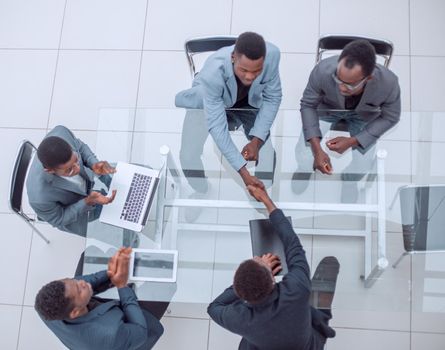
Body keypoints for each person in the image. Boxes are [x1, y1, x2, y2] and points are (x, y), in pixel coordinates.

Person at [208, 185, 340, 350]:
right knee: (330, 264)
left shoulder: (241, 319)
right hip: (307, 344)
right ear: (271, 276)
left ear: (240, 293)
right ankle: (321, 317)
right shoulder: (296, 289)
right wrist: (267, 201)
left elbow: (213, 308)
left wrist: (243, 282)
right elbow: (294, 246)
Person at [294, 39, 401, 201]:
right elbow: (308, 105)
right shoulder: (322, 70)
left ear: (368, 78)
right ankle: (304, 168)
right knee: (304, 154)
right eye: (338, 79)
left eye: (350, 85)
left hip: (364, 116)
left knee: (363, 166)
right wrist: (317, 150)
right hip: (327, 110)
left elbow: (390, 116)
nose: (341, 88)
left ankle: (349, 181)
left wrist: (353, 141)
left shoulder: (389, 83)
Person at [176, 32, 282, 194]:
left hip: (250, 103)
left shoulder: (272, 55)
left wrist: (257, 141)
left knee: (267, 156)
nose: (249, 77)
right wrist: (244, 172)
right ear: (233, 57)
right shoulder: (213, 73)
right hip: (209, 99)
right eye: (244, 70)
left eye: (256, 71)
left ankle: (261, 194)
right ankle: (202, 190)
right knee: (188, 156)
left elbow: (273, 97)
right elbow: (218, 128)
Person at [34, 247, 164, 350]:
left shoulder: (43, 306)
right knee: (165, 285)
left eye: (73, 281)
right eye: (79, 289)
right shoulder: (110, 334)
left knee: (89, 253)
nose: (82, 283)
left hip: (95, 310)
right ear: (74, 312)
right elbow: (140, 333)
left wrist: (110, 273)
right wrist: (122, 286)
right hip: (131, 330)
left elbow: (81, 281)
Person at [26, 125, 116, 236]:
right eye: (69, 170)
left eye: (76, 160)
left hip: (89, 184)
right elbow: (60, 219)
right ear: (50, 171)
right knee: (116, 234)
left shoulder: (61, 133)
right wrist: (87, 201)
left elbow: (81, 147)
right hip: (77, 211)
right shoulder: (39, 198)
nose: (77, 169)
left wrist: (94, 164)